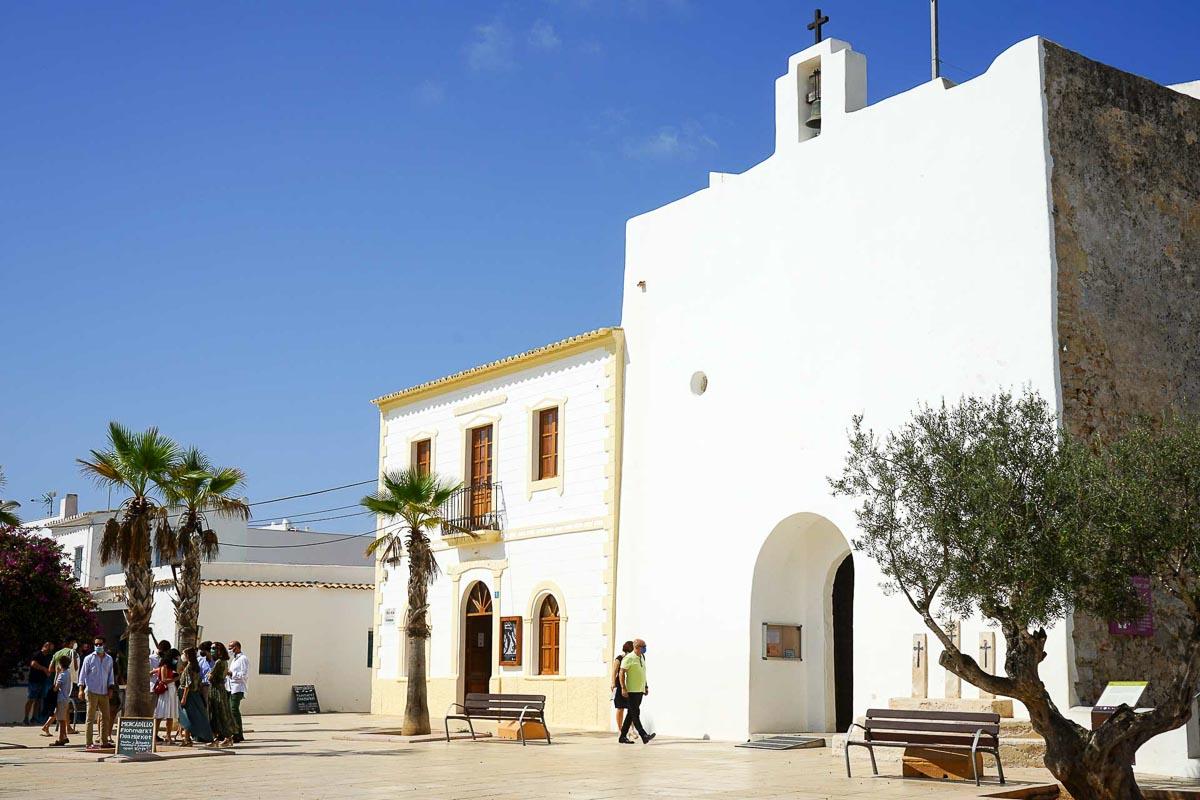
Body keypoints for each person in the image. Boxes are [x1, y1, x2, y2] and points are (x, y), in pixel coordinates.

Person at [78, 636, 116, 750]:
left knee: (106, 717)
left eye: (100, 644)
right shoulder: (89, 658)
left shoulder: (109, 659)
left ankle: (104, 741)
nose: (98, 646)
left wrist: (110, 689)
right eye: (96, 644)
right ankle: (88, 743)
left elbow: (110, 675)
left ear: (104, 645)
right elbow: (82, 675)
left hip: (104, 692)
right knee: (90, 718)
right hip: (91, 691)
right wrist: (80, 689)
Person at [618, 639, 655, 745]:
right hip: (631, 691)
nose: (645, 648)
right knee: (635, 713)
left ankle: (622, 737)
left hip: (640, 690)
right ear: (637, 647)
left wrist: (646, 686)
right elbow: (621, 673)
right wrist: (623, 688)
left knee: (631, 714)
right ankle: (644, 735)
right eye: (644, 646)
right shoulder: (628, 658)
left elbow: (643, 673)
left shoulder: (642, 657)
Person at [41, 638, 80, 737]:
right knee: (62, 706)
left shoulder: (56, 653)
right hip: (67, 681)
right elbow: (75, 668)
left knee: (62, 707)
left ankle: (67, 728)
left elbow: (50, 669)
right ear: (71, 643)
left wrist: (58, 671)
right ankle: (49, 726)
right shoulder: (72, 652)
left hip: (57, 681)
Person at [177, 646, 213, 746]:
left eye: (184, 654)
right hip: (195, 694)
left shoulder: (189, 667)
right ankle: (187, 739)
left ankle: (187, 739)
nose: (183, 656)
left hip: (188, 695)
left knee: (186, 717)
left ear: (188, 655)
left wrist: (184, 697)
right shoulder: (195, 665)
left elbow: (187, 685)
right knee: (193, 717)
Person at [206, 642, 236, 747]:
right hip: (221, 689)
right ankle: (227, 738)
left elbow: (211, 676)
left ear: (219, 650)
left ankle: (217, 739)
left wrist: (208, 675)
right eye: (211, 648)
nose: (211, 650)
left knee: (215, 714)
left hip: (215, 689)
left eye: (214, 648)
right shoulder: (224, 662)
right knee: (221, 713)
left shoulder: (219, 662)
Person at [153, 648, 180, 745]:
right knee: (160, 714)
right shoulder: (164, 667)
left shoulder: (172, 668)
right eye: (176, 657)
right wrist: (175, 678)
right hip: (165, 691)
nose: (177, 659)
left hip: (172, 691)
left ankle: (168, 736)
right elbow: (164, 679)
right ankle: (154, 735)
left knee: (170, 715)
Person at [24, 641, 55, 725]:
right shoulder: (38, 654)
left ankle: (34, 718)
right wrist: (44, 669)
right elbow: (33, 663)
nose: (51, 649)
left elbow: (51, 666)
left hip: (44, 681)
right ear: (45, 646)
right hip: (34, 680)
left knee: (39, 700)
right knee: (31, 699)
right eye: (50, 647)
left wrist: (50, 671)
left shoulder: (49, 656)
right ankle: (26, 718)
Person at [227, 640, 249, 743]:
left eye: (231, 647)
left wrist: (231, 674)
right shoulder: (234, 659)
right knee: (231, 710)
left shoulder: (243, 659)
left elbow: (244, 675)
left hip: (238, 687)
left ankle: (238, 733)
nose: (230, 649)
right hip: (231, 687)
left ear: (237, 647)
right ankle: (235, 732)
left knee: (234, 709)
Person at [48, 655, 73, 747]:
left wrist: (57, 674)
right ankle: (64, 737)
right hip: (65, 698)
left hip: (61, 699)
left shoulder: (62, 675)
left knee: (61, 720)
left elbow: (56, 688)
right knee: (62, 718)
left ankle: (60, 739)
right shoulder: (68, 673)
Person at [611, 641, 634, 732]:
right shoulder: (619, 659)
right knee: (620, 708)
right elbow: (614, 672)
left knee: (631, 708)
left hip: (629, 684)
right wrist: (613, 683)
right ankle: (621, 729)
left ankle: (631, 729)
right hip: (619, 685)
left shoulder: (632, 658)